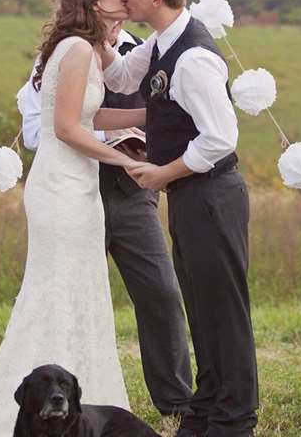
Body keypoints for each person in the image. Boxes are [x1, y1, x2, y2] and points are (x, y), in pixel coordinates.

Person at [0, 0, 147, 435]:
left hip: (78, 183)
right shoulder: (74, 49)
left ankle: (73, 403)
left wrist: (153, 114)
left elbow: (89, 111)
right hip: (61, 185)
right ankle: (45, 400)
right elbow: (68, 128)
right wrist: (126, 161)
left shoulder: (85, 48)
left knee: (79, 289)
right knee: (57, 290)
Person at [101, 0, 259, 436]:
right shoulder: (162, 42)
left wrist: (160, 174)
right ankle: (207, 407)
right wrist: (99, 31)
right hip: (191, 197)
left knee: (224, 311)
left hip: (213, 196)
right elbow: (124, 73)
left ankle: (235, 419)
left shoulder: (191, 58)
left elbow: (220, 139)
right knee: (200, 304)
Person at [17, 21, 193, 418]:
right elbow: (36, 129)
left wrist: (148, 144)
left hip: (132, 196)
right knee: (69, 297)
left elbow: (163, 120)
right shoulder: (58, 56)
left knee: (161, 293)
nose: (117, 18)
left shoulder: (146, 57)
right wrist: (104, 138)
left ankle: (177, 402)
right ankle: (55, 400)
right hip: (75, 193)